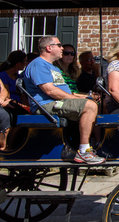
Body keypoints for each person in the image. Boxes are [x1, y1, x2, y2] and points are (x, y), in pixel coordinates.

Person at [22, 36, 103, 164]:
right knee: (90, 107)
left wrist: (85, 97)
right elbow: (50, 90)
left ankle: (84, 145)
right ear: (49, 48)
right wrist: (81, 100)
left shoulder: (53, 67)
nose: (62, 48)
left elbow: (66, 92)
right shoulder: (38, 64)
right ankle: (83, 151)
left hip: (57, 102)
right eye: (59, 45)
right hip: (45, 105)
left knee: (93, 103)